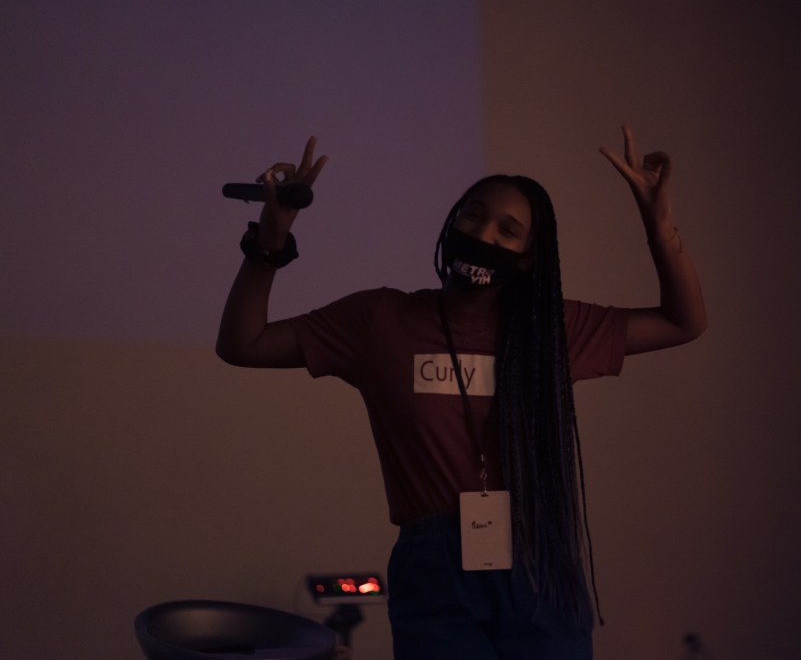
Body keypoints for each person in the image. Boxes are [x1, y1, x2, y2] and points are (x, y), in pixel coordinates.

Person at [216, 126, 708, 660]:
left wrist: (660, 227)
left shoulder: (551, 330)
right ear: (452, 223)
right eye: (473, 217)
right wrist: (268, 245)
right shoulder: (379, 320)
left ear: (528, 257)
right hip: (435, 564)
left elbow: (683, 321)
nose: (484, 234)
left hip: (539, 554)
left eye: (508, 230)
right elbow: (243, 344)